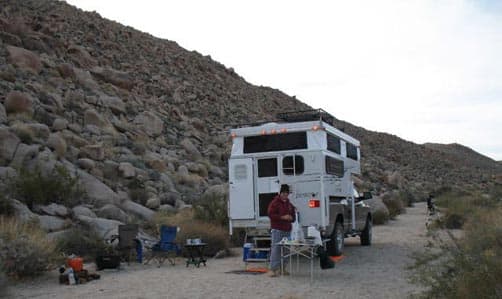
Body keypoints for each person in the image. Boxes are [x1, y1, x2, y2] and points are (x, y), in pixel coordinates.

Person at [267, 184, 296, 277]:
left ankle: (283, 269)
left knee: (286, 250)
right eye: (283, 193)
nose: (285, 195)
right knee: (276, 249)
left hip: (287, 230)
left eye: (286, 193)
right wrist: (282, 217)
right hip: (277, 229)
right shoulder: (274, 203)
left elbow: (294, 217)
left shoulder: (289, 204)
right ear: (280, 193)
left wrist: (291, 217)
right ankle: (272, 269)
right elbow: (270, 214)